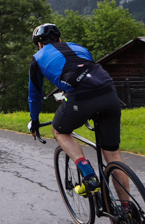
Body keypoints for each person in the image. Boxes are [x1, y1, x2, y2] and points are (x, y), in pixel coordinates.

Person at [27, 23, 130, 205]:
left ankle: (88, 174)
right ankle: (128, 211)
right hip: (109, 92)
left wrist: (34, 121)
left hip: (81, 98)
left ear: (39, 45)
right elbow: (83, 71)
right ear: (59, 39)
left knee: (59, 130)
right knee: (113, 157)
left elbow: (35, 96)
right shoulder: (79, 47)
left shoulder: (38, 58)